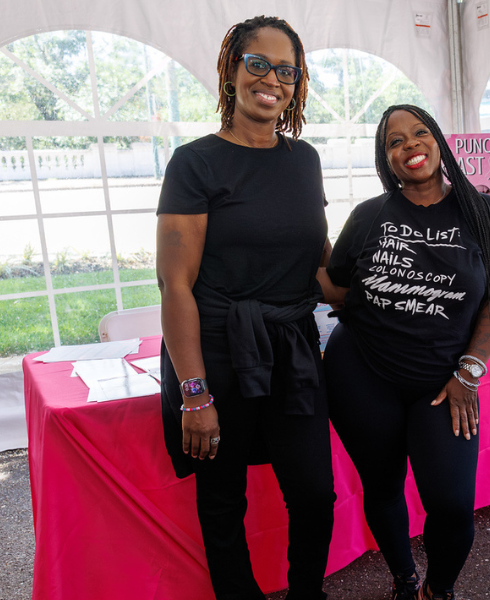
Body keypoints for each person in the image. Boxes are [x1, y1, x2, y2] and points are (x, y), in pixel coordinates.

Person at [156, 16, 335, 600]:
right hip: (216, 351)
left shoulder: (304, 160)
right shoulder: (195, 162)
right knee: (223, 497)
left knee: (314, 492)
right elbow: (175, 285)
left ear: (297, 84)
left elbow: (318, 262)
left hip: (293, 345)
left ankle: (307, 592)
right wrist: (194, 393)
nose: (272, 80)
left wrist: (404, 286)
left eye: (287, 70)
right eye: (257, 64)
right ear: (231, 72)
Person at [319, 104, 490, 600]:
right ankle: (405, 578)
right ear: (385, 159)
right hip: (361, 373)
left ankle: (439, 588)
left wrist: (469, 371)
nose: (409, 145)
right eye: (394, 141)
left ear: (437, 142)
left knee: (451, 504)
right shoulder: (369, 216)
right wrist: (299, 235)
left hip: (443, 382)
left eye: (419, 133)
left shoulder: (480, 211)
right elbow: (336, 285)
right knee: (383, 485)